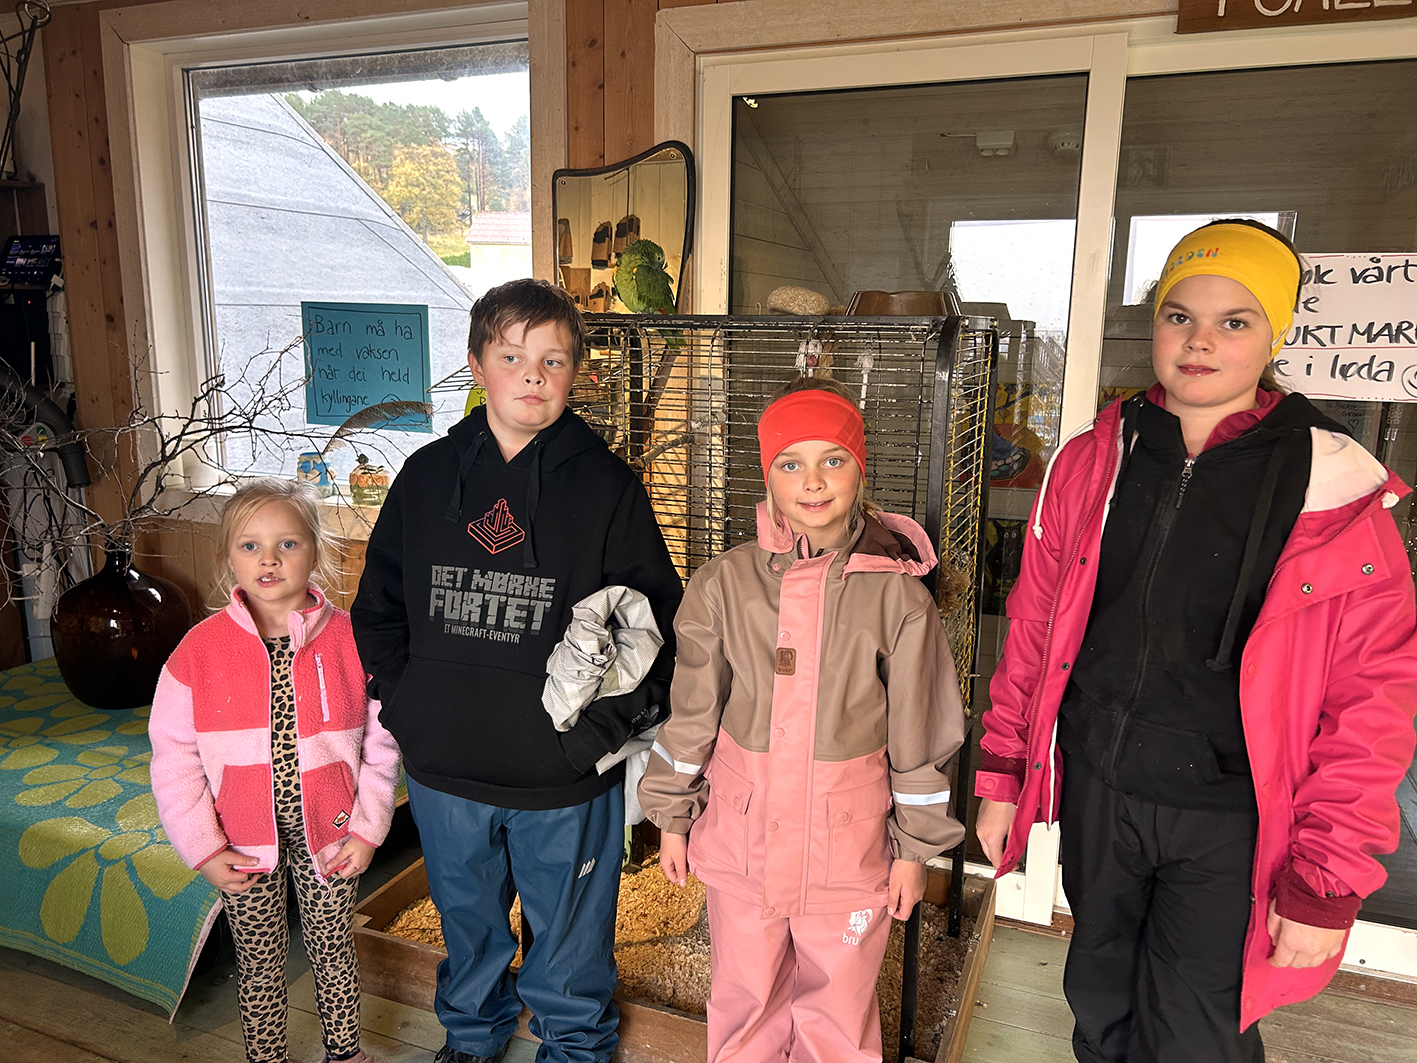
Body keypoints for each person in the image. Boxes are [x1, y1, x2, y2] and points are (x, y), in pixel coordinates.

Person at [974, 219, 1417, 1062]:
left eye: (1233, 321)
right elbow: (1033, 627)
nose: (1199, 341)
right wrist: (1003, 773)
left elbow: (1372, 697)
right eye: (1179, 316)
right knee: (1099, 1005)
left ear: (1272, 336)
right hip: (1101, 791)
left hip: (1232, 818)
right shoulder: (1091, 459)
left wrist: (1325, 878)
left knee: (1194, 1032)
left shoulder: (1334, 487)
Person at [351, 279, 682, 1063]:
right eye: (511, 357)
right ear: (476, 365)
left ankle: (572, 1048)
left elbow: (653, 629)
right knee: (466, 927)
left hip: (562, 779)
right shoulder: (425, 477)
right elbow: (377, 608)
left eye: (552, 360)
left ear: (575, 374)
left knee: (568, 946)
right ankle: (472, 1039)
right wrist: (409, 707)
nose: (532, 375)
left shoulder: (608, 488)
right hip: (445, 770)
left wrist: (591, 738)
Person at [639, 375, 967, 1063]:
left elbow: (921, 740)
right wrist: (671, 816)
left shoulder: (898, 600)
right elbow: (692, 714)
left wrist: (915, 852)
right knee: (745, 999)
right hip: (743, 839)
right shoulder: (723, 584)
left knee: (838, 1015)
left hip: (848, 851)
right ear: (767, 474)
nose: (812, 481)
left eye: (832, 459)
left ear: (860, 468)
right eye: (790, 462)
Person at [150, 479, 401, 1063]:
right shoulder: (197, 651)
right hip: (241, 844)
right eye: (250, 546)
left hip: (334, 837)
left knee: (334, 949)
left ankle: (345, 1053)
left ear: (316, 550)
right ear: (227, 558)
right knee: (258, 962)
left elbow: (383, 745)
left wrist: (368, 830)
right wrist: (203, 847)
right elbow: (174, 757)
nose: (268, 559)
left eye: (287, 543)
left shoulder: (352, 640)